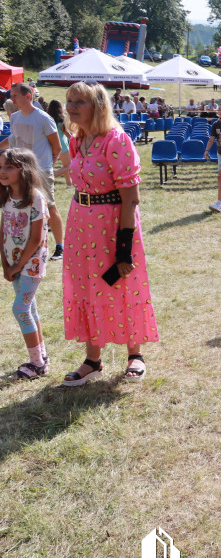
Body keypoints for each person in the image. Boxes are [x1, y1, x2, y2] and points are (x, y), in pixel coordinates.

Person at [62, 81, 159, 385]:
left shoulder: (115, 140)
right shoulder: (78, 140)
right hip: (80, 224)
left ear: (98, 106)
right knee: (86, 287)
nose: (72, 107)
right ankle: (93, 359)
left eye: (80, 102)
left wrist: (124, 247)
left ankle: (135, 355)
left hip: (112, 225)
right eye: (70, 101)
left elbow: (130, 198)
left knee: (122, 284)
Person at [0, 148, 50, 379]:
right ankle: (41, 356)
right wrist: (5, 263)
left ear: (24, 170)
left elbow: (36, 238)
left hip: (31, 264)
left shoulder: (36, 198)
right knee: (30, 308)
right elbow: (3, 231)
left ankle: (36, 363)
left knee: (20, 309)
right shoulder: (7, 196)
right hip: (13, 263)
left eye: (8, 167)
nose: (2, 171)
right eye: (1, 167)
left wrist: (17, 266)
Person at [0, 83, 65, 261]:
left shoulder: (43, 118)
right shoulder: (14, 118)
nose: (11, 99)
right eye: (11, 96)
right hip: (20, 172)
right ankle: (28, 246)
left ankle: (60, 246)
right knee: (24, 207)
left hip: (41, 171)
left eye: (14, 96)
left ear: (28, 96)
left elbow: (57, 146)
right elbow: (14, 140)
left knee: (49, 206)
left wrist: (46, 167)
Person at [47, 100, 73, 187]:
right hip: (63, 147)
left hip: (51, 146)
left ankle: (69, 184)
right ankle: (49, 178)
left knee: (65, 166)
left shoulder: (47, 120)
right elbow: (68, 134)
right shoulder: (61, 121)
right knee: (68, 166)